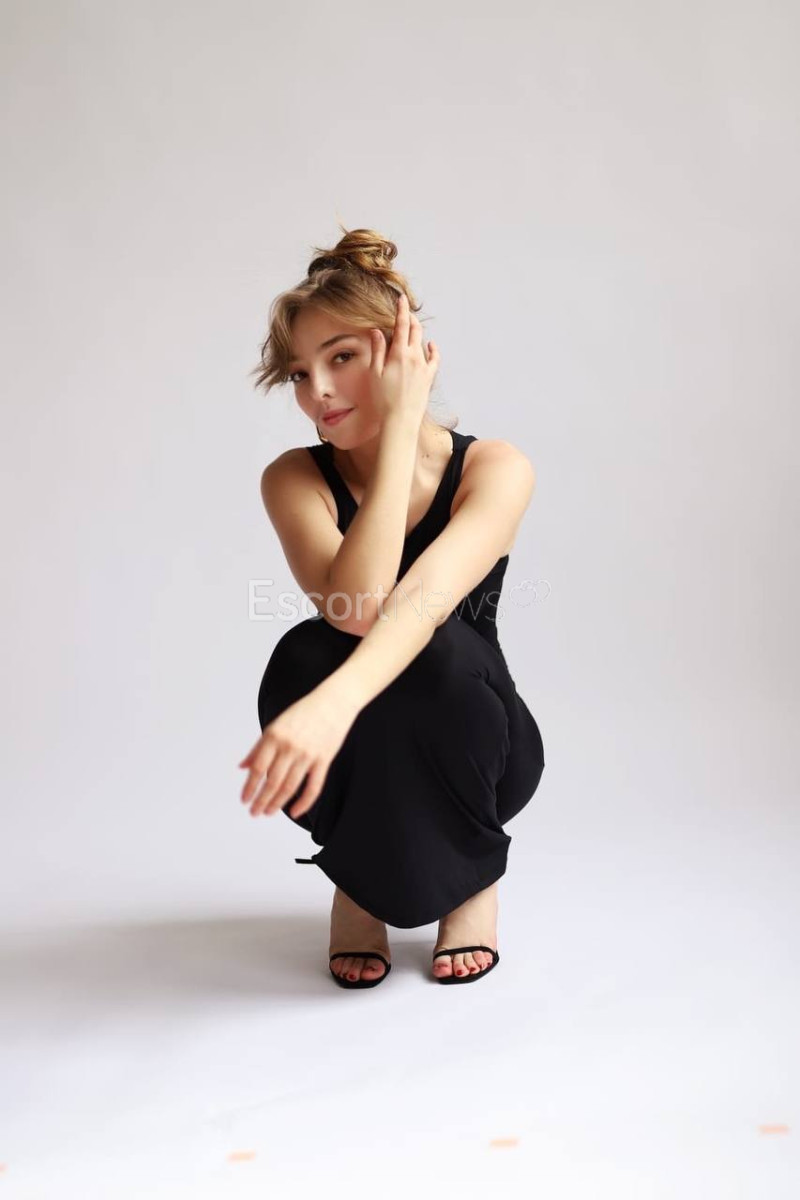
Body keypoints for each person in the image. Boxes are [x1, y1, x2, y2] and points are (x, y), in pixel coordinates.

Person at [238, 225, 545, 989]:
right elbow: (357, 608)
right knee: (310, 652)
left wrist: (405, 423)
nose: (317, 390)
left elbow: (417, 606)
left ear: (406, 352)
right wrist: (396, 439)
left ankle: (472, 882)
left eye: (341, 357)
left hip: (478, 739)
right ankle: (358, 883)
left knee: (439, 648)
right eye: (300, 373)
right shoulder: (294, 479)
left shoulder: (495, 468)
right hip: (360, 751)